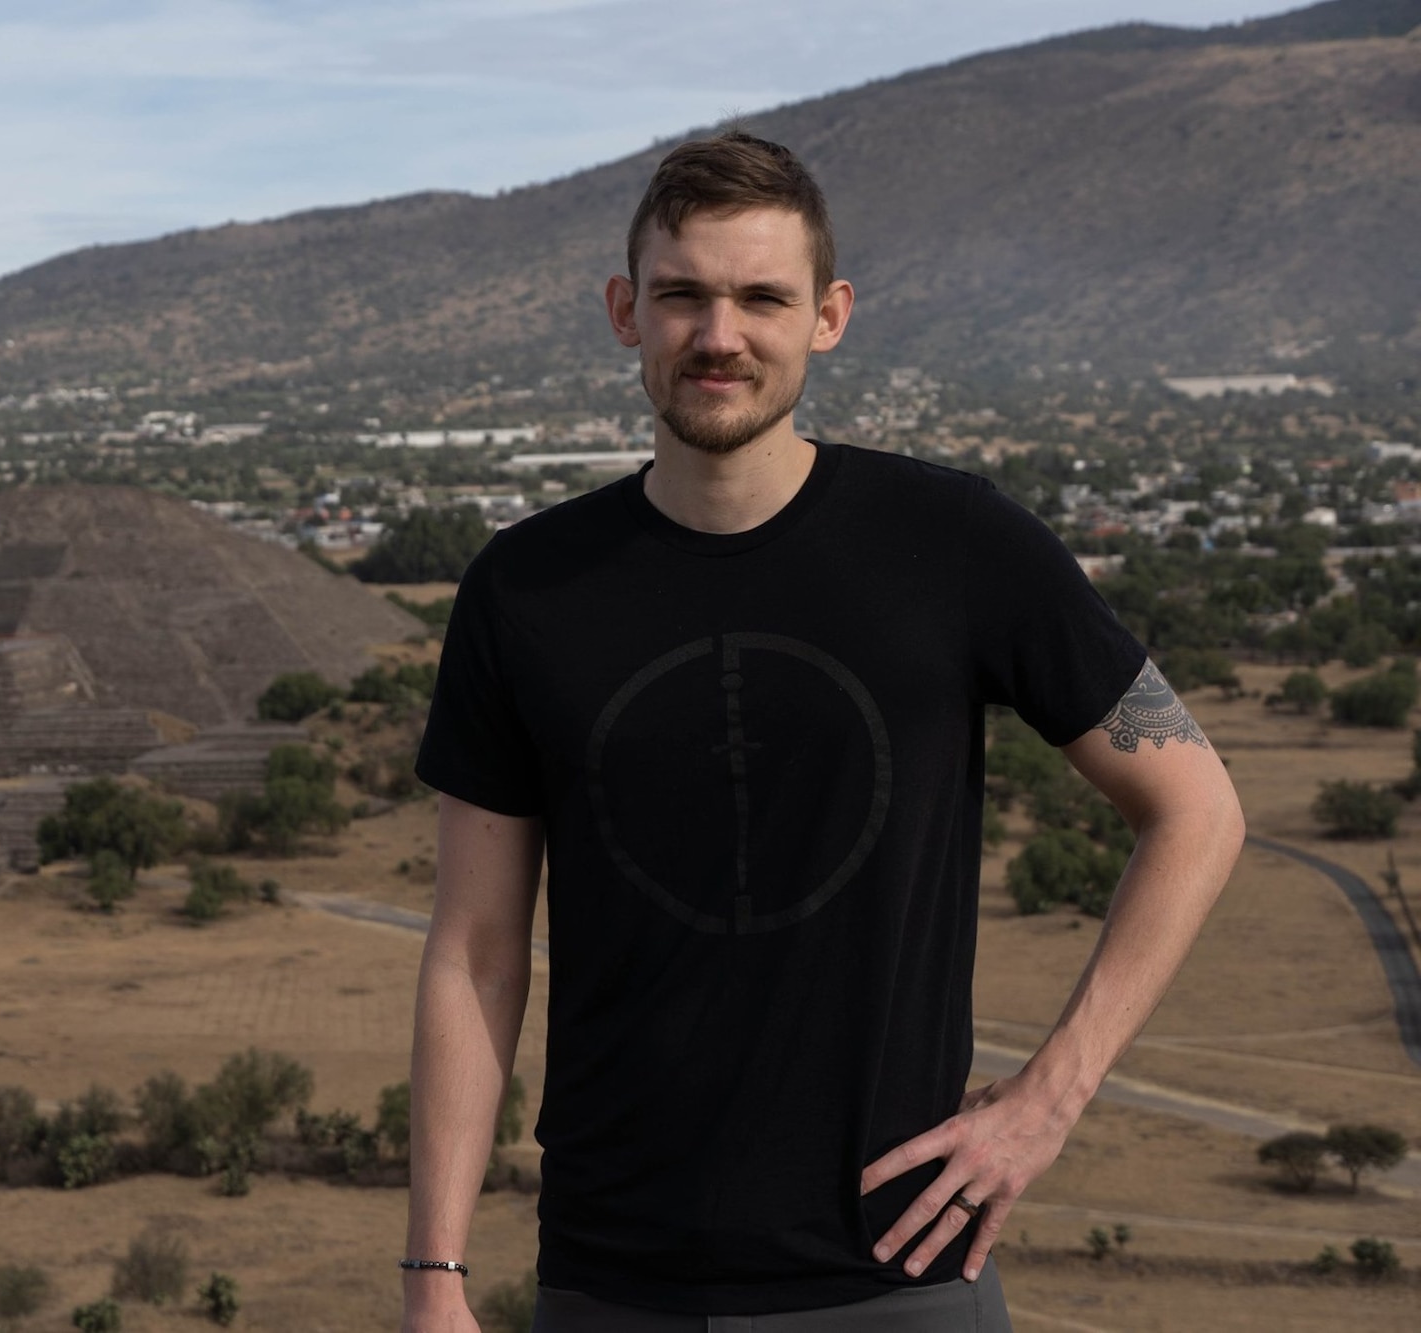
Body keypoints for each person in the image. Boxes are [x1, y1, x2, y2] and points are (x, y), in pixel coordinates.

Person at [400, 132, 1243, 1332]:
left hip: (894, 1276)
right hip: (611, 1279)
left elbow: (1197, 808)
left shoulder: (954, 544)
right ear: (623, 311)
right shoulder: (523, 588)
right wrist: (433, 1271)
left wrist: (1049, 1097)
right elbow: (474, 949)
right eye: (683, 294)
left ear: (828, 316)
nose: (718, 333)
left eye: (761, 298)